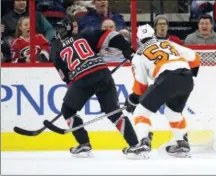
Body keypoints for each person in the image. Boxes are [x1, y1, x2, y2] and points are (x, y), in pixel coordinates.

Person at [50, 18, 148, 159]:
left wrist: (73, 91)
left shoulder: (55, 47)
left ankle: (84, 144)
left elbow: (65, 75)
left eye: (58, 29)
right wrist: (126, 49)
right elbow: (111, 35)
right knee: (114, 112)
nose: (57, 32)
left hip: (83, 79)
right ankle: (135, 146)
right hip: (103, 73)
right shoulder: (85, 36)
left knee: (68, 110)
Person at [124, 24, 201, 158]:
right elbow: (194, 57)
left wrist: (134, 99)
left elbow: (141, 84)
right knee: (173, 112)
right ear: (154, 34)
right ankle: (182, 143)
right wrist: (191, 74)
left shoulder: (138, 54)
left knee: (140, 113)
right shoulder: (166, 42)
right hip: (187, 79)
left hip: (167, 78)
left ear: (138, 40)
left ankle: (143, 143)